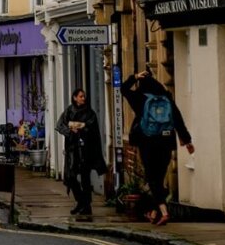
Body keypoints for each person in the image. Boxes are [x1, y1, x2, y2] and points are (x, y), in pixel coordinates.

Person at [122, 68, 195, 226]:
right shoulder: (166, 96)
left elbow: (123, 88)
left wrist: (134, 77)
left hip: (148, 142)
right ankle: (154, 212)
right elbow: (177, 118)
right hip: (166, 142)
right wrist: (186, 140)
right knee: (159, 179)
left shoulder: (140, 98)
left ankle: (164, 212)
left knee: (152, 179)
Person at [55, 88, 107, 216]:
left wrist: (82, 128)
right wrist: (69, 130)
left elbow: (91, 128)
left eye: (84, 96)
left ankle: (86, 206)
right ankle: (80, 201)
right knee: (70, 177)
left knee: (85, 179)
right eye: (81, 96)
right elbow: (60, 125)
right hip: (72, 149)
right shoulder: (69, 111)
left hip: (85, 150)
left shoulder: (90, 113)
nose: (83, 98)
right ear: (74, 98)